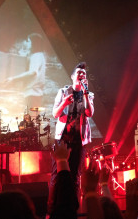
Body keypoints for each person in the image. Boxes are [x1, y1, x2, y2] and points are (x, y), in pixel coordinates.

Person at [47, 62, 94, 214]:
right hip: (63, 140)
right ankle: (52, 210)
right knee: (56, 176)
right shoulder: (63, 92)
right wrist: (65, 103)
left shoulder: (89, 94)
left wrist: (86, 94)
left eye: (84, 74)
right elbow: (55, 113)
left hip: (79, 141)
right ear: (73, 76)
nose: (82, 75)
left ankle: (72, 210)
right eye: (79, 73)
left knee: (75, 176)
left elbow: (89, 113)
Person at [6, 33, 46, 108]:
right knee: (30, 118)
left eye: (29, 41)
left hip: (33, 94)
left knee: (30, 118)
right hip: (34, 94)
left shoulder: (36, 56)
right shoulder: (38, 55)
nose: (27, 44)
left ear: (34, 43)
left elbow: (32, 73)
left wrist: (13, 79)